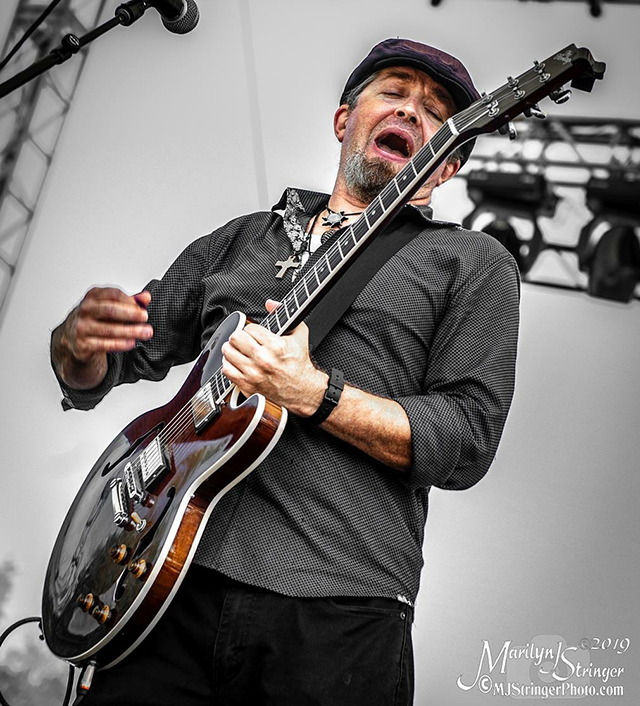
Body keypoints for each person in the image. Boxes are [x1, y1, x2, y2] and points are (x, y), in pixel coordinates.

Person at [50, 38, 520, 705]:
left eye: (436, 111)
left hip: (338, 603)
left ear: (448, 166)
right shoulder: (243, 240)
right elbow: (110, 359)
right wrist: (78, 341)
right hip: (160, 589)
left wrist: (316, 394)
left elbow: (467, 437)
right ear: (343, 120)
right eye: (394, 92)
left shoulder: (473, 263)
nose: (413, 112)